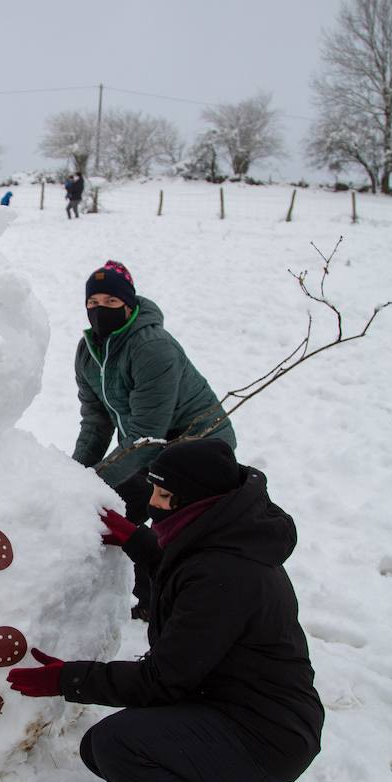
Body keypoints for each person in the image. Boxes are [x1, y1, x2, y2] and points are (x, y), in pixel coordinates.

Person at [7, 438, 324, 782]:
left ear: (192, 499)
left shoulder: (227, 574)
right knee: (120, 743)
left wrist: (67, 678)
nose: (151, 503)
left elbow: (163, 680)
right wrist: (142, 545)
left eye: (161, 495)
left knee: (114, 746)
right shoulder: (224, 537)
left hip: (266, 735)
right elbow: (190, 577)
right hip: (256, 714)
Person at [73, 259, 235, 618]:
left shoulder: (151, 347)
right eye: (93, 302)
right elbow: (96, 424)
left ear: (129, 304)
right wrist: (72, 476)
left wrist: (92, 484)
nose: (101, 310)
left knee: (163, 519)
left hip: (198, 445)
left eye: (112, 302)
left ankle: (167, 602)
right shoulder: (89, 353)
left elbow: (147, 434)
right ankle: (143, 596)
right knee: (117, 508)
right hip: (150, 446)